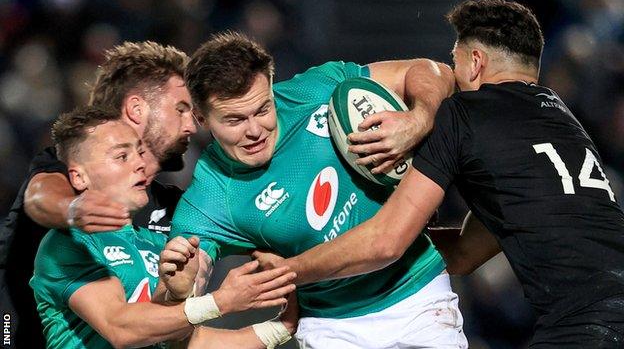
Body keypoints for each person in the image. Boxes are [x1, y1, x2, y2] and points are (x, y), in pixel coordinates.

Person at [256, 0, 624, 347]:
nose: (453, 75)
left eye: (455, 61)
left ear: (476, 62)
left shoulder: (463, 113)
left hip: (587, 323)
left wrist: (288, 270)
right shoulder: (565, 123)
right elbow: (465, 253)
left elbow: (387, 241)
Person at [172, 31, 465, 348]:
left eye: (262, 109)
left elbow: (429, 71)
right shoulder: (209, 198)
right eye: (234, 120)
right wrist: (181, 284)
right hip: (332, 328)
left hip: (418, 297)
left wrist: (419, 118)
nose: (255, 130)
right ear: (201, 118)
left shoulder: (317, 90)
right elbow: (186, 283)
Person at [30, 105, 298, 349]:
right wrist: (222, 301)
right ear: (79, 177)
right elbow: (119, 328)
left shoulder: (159, 243)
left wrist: (277, 329)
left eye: (139, 152)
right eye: (122, 156)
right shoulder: (68, 244)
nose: (140, 164)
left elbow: (186, 340)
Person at [0, 41, 196, 348]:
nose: (191, 126)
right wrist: (73, 208)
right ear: (137, 109)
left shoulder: (167, 204)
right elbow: (40, 195)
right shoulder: (73, 165)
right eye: (181, 109)